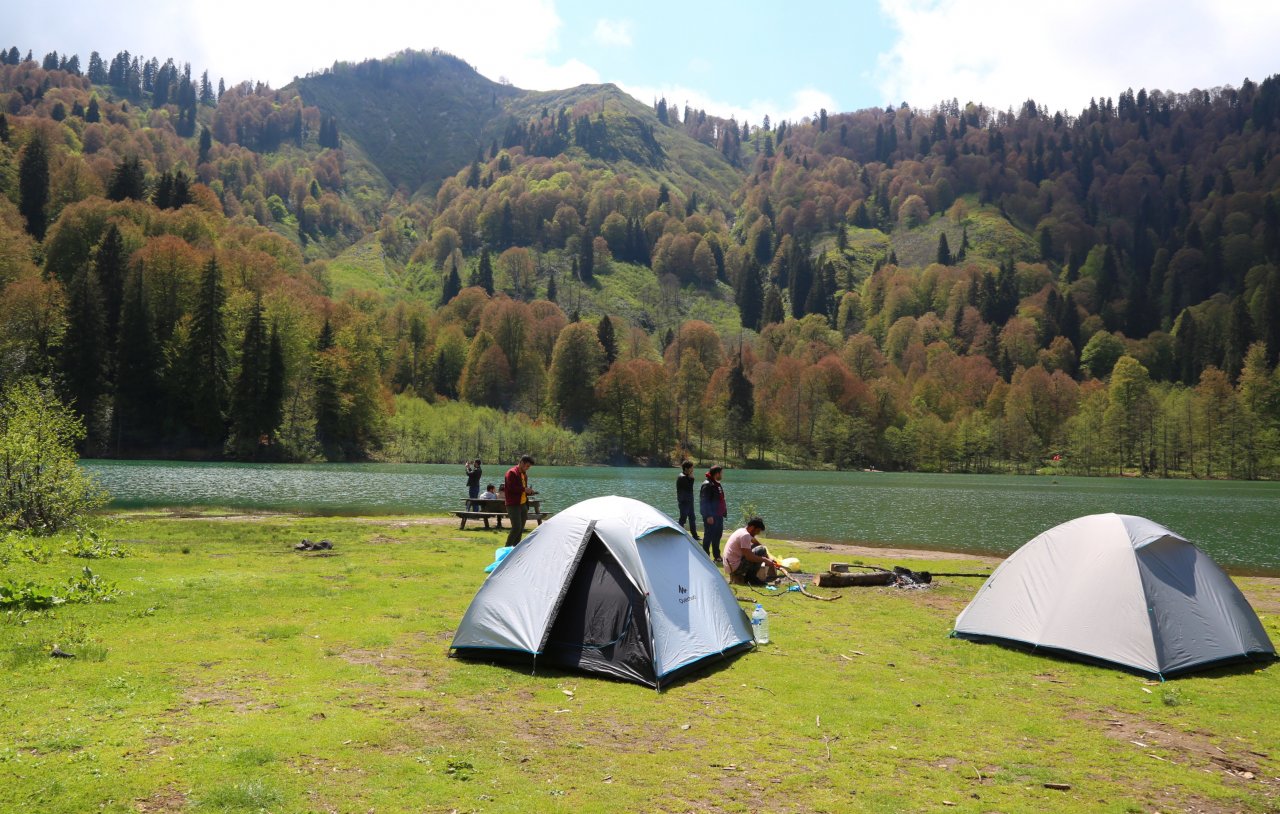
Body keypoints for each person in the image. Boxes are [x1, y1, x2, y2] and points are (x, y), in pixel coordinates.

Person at [724, 517, 781, 585]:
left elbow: (754, 541)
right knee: (761, 551)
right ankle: (752, 579)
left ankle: (753, 576)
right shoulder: (745, 535)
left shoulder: (741, 530)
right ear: (752, 527)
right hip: (735, 568)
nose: (757, 533)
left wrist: (766, 554)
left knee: (761, 548)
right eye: (757, 531)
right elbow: (749, 557)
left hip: (730, 565)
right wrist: (765, 560)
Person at [503, 455, 537, 546]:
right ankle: (507, 549)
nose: (528, 468)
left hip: (523, 504)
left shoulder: (524, 474)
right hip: (513, 504)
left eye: (529, 467)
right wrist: (524, 489)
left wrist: (529, 492)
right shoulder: (511, 473)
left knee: (521, 529)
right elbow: (511, 488)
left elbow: (522, 489)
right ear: (521, 462)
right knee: (516, 528)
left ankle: (515, 549)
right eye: (527, 466)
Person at [699, 465, 727, 564]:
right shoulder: (707, 484)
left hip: (718, 515)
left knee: (717, 535)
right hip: (711, 516)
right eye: (721, 473)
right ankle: (705, 556)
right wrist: (708, 516)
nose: (722, 475)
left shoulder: (716, 483)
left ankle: (717, 555)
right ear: (716, 473)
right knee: (709, 536)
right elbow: (704, 502)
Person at [675, 460, 699, 541]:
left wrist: (691, 478)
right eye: (691, 468)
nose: (692, 470)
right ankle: (678, 534)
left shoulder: (686, 476)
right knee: (683, 518)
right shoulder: (682, 477)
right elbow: (688, 488)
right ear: (686, 469)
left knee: (692, 518)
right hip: (684, 502)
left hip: (689, 501)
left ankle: (695, 536)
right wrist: (692, 479)